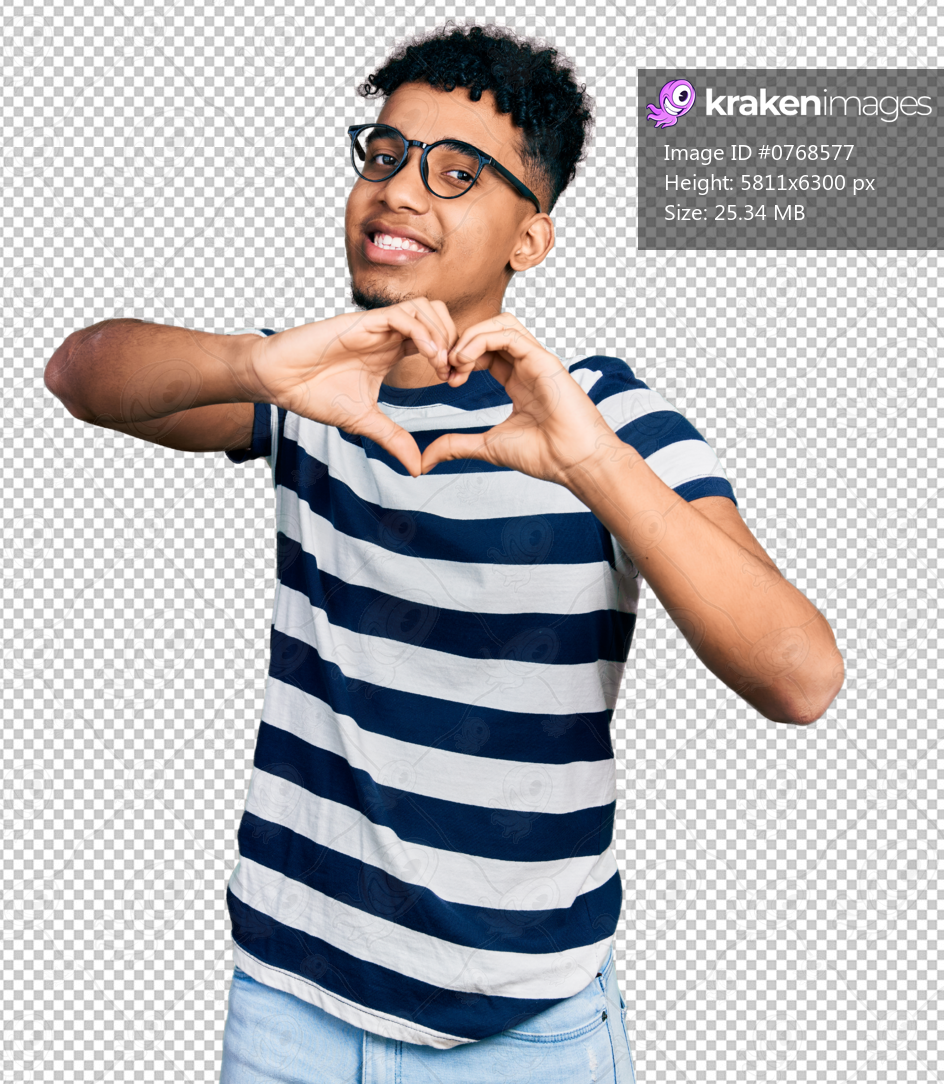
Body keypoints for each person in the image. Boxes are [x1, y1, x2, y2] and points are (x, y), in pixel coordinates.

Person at [44, 21, 844, 1084]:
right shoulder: (312, 384)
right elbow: (77, 374)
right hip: (292, 1002)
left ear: (530, 239)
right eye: (382, 155)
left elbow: (800, 677)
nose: (400, 190)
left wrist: (593, 464)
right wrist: (256, 363)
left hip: (530, 1030)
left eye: (456, 172)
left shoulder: (608, 416)